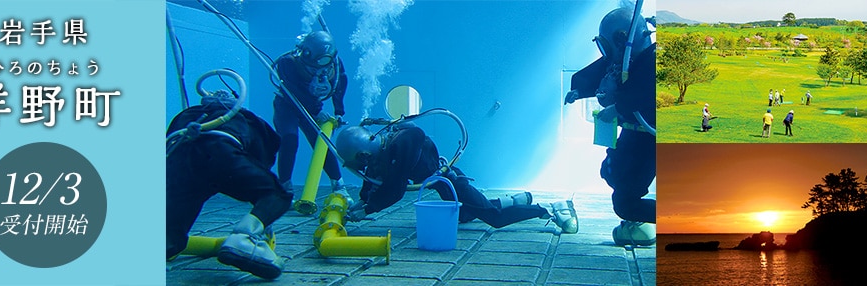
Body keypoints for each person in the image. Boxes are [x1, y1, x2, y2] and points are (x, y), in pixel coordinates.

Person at [335, 124, 579, 234]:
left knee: (493, 219)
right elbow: (373, 180)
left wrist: (368, 209)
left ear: (364, 153)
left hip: (452, 182)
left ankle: (545, 209)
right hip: (444, 185)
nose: (361, 169)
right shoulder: (381, 150)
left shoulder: (403, 143)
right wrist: (362, 201)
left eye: (359, 163)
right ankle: (516, 199)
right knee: (465, 215)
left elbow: (394, 188)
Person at [166, 91, 291, 279]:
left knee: (170, 238)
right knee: (278, 195)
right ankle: (244, 238)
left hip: (180, 159)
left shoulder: (186, 115)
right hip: (221, 152)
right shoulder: (248, 118)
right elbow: (262, 159)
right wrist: (264, 214)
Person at [563, 6, 656, 246]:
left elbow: (646, 91)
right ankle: (639, 220)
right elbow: (602, 69)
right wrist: (579, 90)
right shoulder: (623, 60)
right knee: (610, 173)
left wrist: (615, 109)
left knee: (625, 203)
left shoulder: (653, 59)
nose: (607, 53)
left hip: (646, 139)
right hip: (631, 136)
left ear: (622, 39)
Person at [271, 30, 349, 196]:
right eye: (312, 67)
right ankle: (284, 188)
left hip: (313, 106)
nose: (319, 71)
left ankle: (339, 185)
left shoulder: (334, 63)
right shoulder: (288, 62)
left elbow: (339, 83)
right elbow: (293, 91)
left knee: (321, 142)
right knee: (289, 139)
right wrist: (317, 110)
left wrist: (339, 111)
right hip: (287, 105)